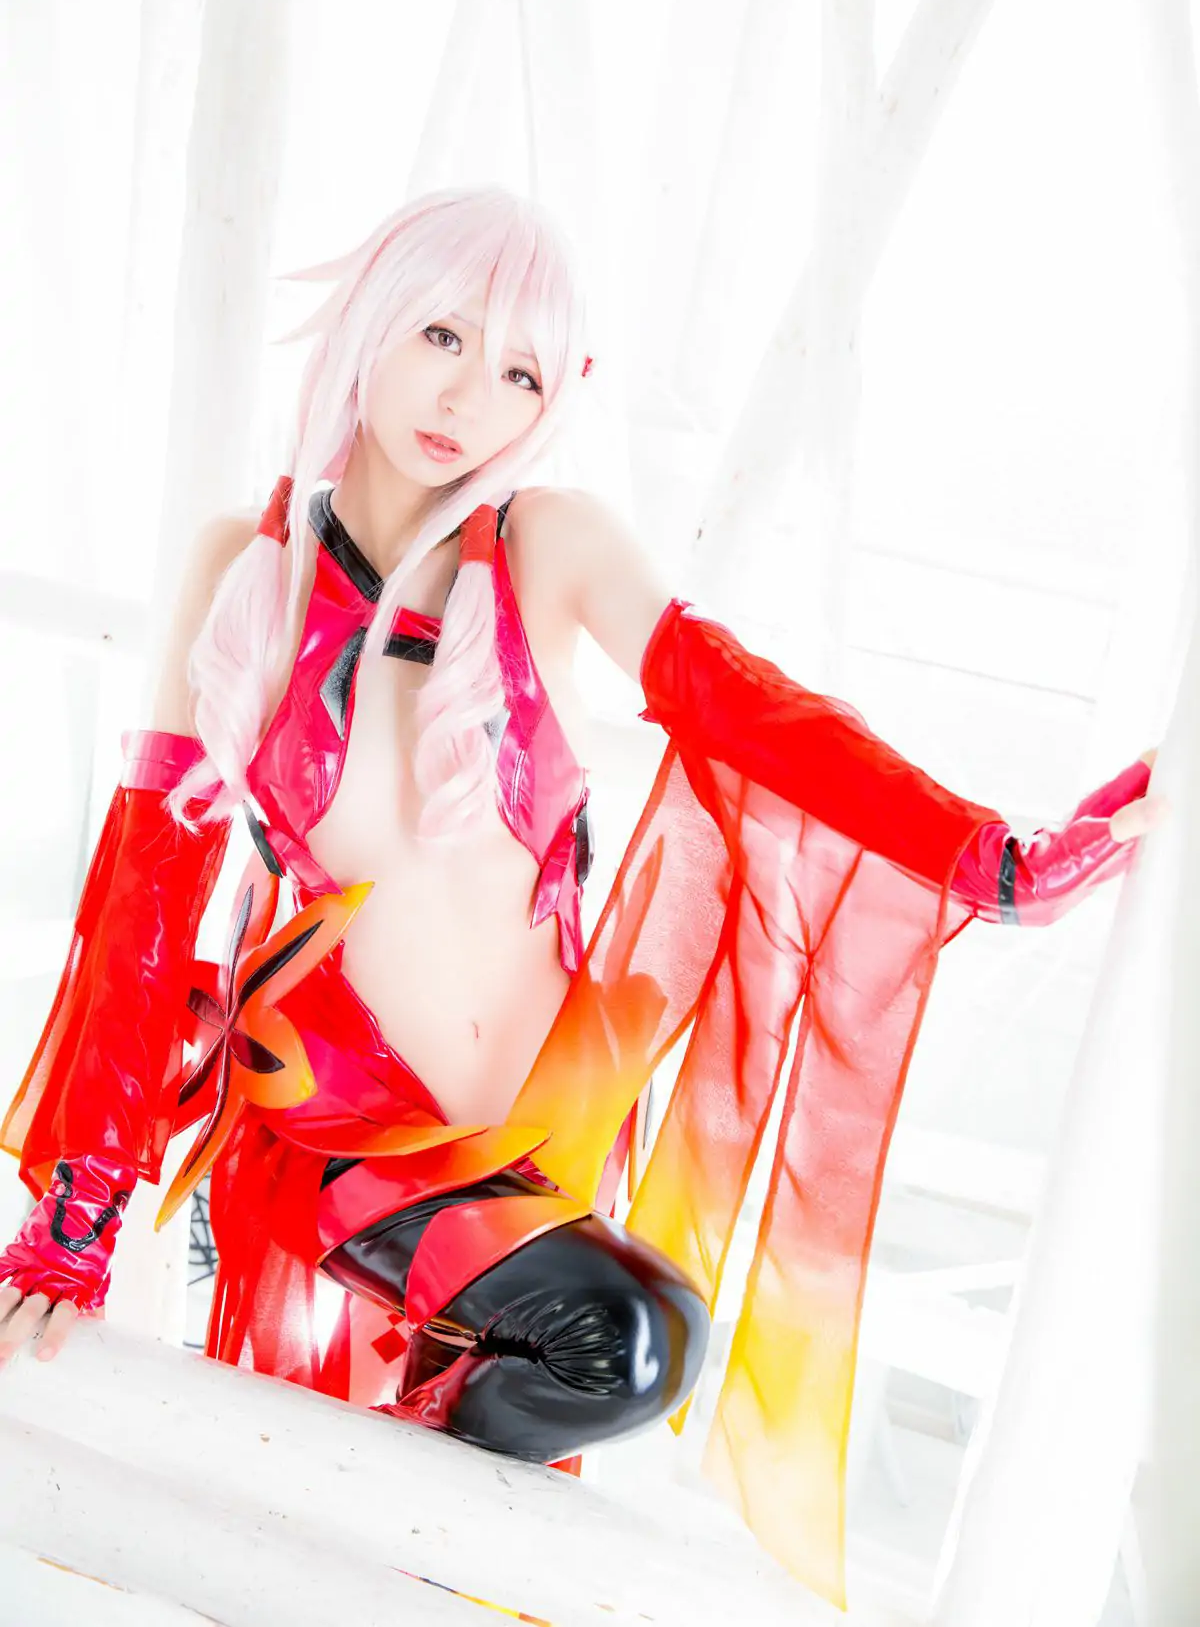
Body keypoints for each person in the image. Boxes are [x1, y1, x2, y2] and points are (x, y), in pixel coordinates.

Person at [0, 185, 1163, 1608]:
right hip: (351, 1134)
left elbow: (755, 713)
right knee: (630, 1345)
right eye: (442, 335)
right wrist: (81, 1204)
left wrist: (993, 859)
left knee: (549, 1416)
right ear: (370, 321)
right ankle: (386, 1542)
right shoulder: (244, 572)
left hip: (545, 1132)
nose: (468, 397)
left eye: (520, 370)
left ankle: (388, 1556)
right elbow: (148, 885)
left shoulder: (546, 546)